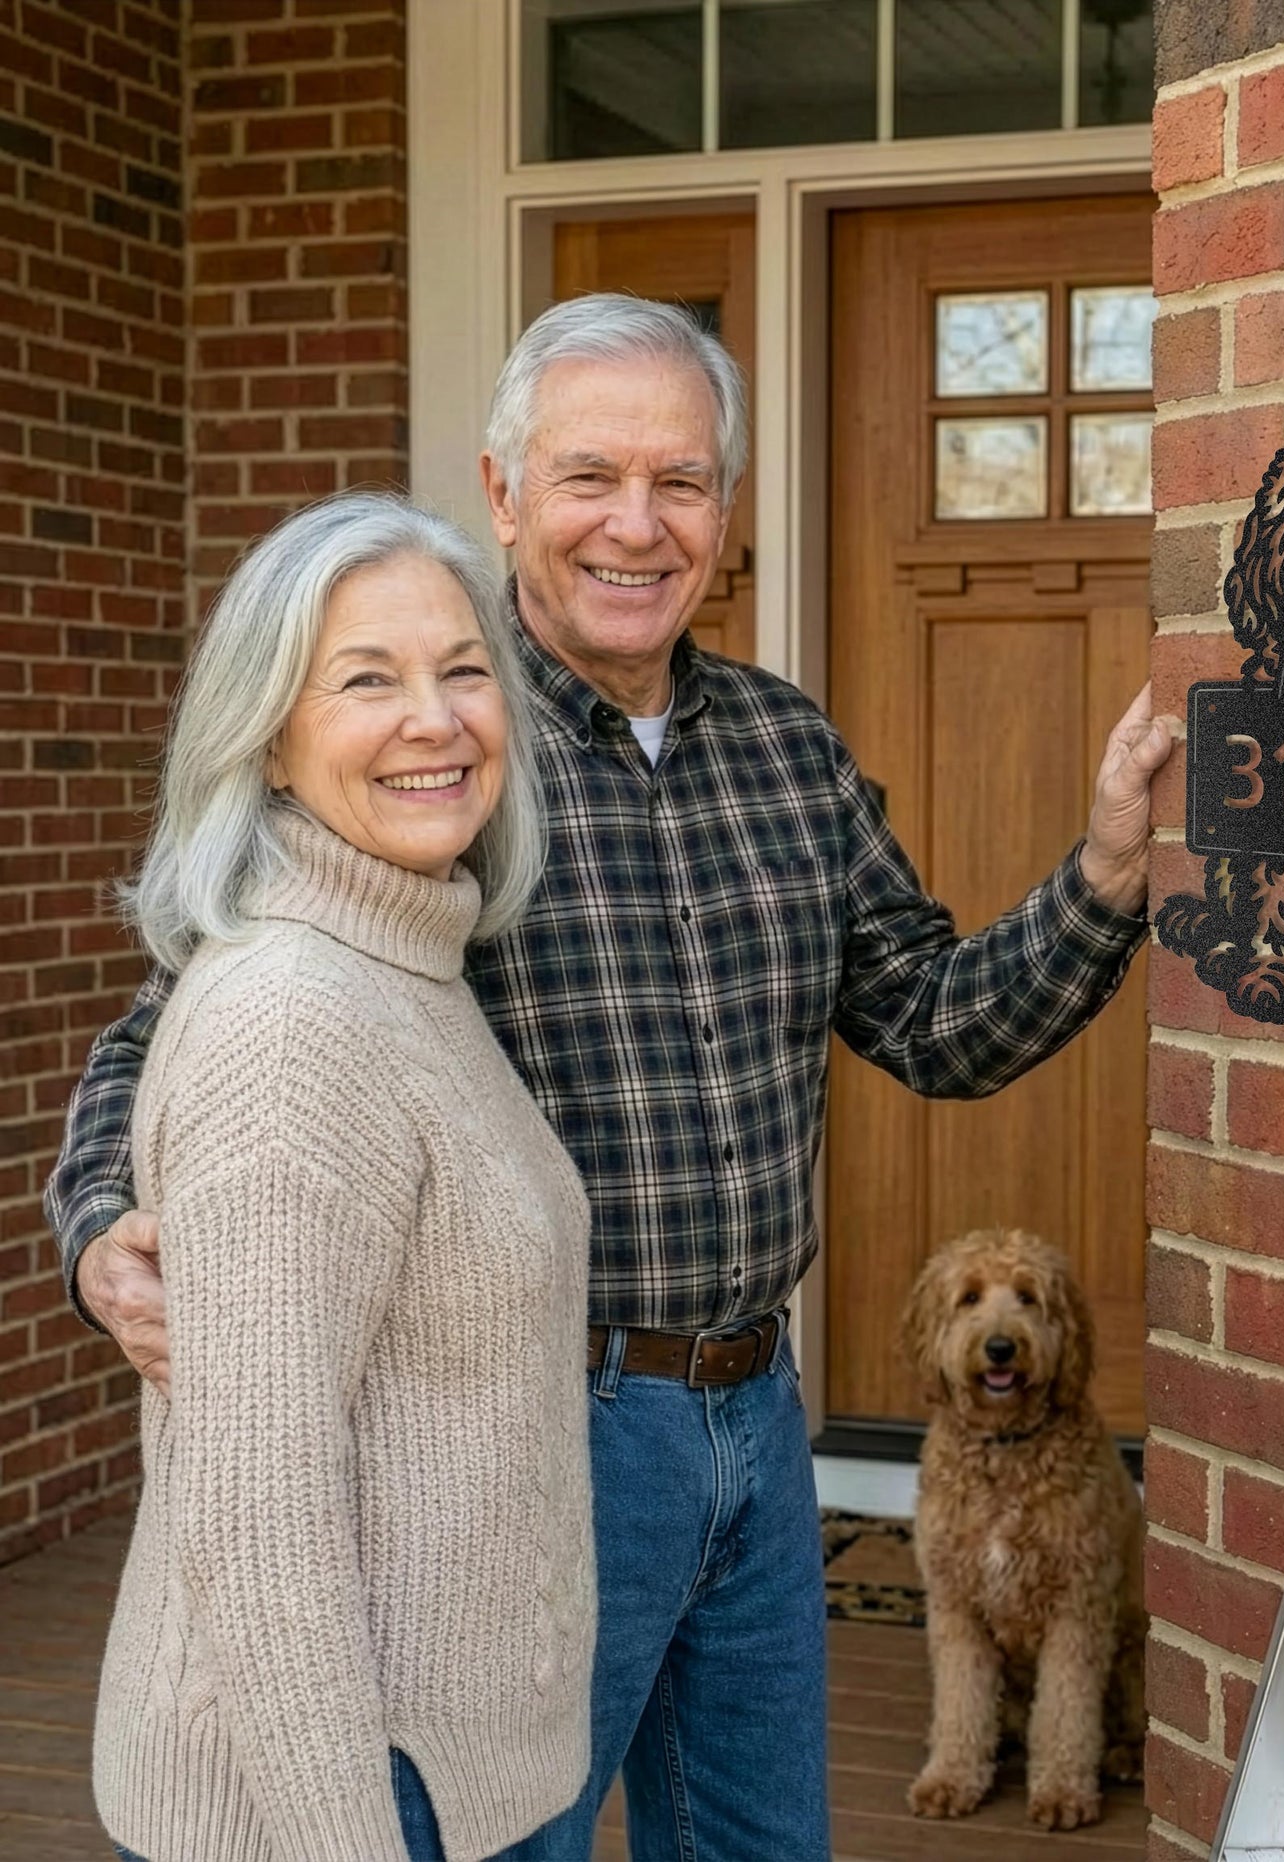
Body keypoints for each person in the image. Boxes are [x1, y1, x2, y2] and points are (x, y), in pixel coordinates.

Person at [49, 295, 1172, 1862]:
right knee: (519, 1836)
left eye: (683, 482)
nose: (637, 526)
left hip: (754, 1421)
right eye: (590, 478)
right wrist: (105, 1218)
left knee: (758, 1842)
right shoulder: (442, 745)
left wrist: (1111, 869)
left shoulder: (787, 748)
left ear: (726, 511)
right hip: (520, 1427)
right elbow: (185, 1014)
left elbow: (933, 1017)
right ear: (505, 492)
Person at [89, 494, 595, 1862]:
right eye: (367, 679)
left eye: (463, 669)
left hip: (458, 1768)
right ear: (265, 739)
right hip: (345, 1799)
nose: (435, 719)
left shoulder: (404, 959)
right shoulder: (293, 1020)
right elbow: (259, 1522)